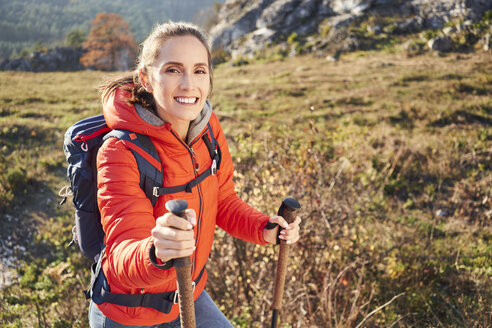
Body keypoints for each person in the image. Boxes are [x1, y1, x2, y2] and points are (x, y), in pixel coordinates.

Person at [89, 21, 302, 328]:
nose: (189, 84)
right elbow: (122, 254)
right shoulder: (120, 151)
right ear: (146, 79)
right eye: (174, 69)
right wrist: (158, 251)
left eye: (199, 70)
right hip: (129, 314)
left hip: (188, 296)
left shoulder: (208, 131)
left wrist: (266, 228)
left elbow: (224, 201)